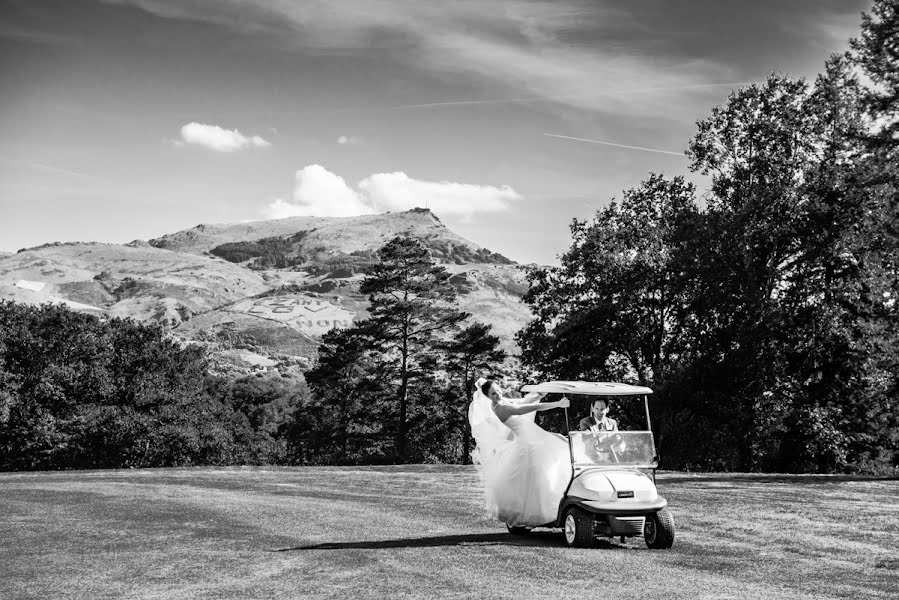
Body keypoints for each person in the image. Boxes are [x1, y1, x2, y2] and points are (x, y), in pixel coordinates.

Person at [468, 378, 571, 528]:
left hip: (533, 436)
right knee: (545, 468)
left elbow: (523, 401)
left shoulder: (501, 401)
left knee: (556, 456)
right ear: (488, 397)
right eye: (493, 394)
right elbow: (531, 407)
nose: (498, 394)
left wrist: (539, 393)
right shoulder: (501, 407)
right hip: (530, 440)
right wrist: (558, 404)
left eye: (498, 390)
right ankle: (544, 511)